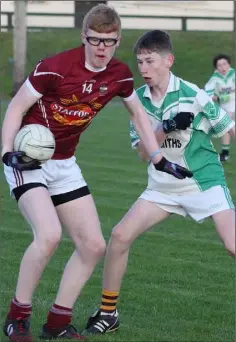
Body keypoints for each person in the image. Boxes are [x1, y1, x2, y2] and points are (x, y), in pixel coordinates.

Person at [1, 6, 194, 342]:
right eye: (95, 40)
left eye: (110, 41)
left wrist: (159, 158)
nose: (102, 47)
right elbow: (16, 106)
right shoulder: (55, 68)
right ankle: (17, 318)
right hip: (29, 160)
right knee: (48, 236)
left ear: (118, 40)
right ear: (84, 37)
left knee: (92, 245)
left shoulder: (118, 75)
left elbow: (137, 115)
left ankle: (57, 324)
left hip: (64, 164)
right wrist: (7, 154)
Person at [83, 29, 235, 336]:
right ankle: (108, 312)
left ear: (168, 60)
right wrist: (166, 127)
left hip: (203, 181)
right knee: (120, 236)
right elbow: (143, 152)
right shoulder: (137, 100)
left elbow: (226, 128)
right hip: (162, 186)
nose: (144, 69)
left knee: (233, 245)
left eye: (150, 61)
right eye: (139, 62)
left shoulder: (194, 94)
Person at [205, 54, 235, 162]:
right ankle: (225, 153)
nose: (223, 67)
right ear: (216, 68)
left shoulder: (233, 74)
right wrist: (213, 98)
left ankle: (225, 153)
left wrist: (221, 98)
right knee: (226, 129)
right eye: (219, 65)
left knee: (228, 128)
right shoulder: (215, 78)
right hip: (225, 108)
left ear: (229, 64)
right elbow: (207, 92)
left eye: (224, 64)